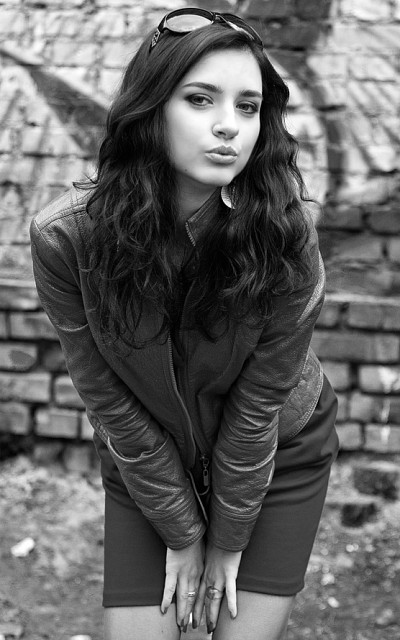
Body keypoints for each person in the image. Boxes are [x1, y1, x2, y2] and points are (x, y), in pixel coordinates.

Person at [30, 8, 339, 640]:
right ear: (151, 110)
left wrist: (226, 539)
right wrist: (180, 531)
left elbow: (260, 403)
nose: (230, 125)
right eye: (200, 99)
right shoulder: (67, 238)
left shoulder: (285, 233)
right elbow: (107, 399)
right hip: (146, 459)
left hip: (276, 452)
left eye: (248, 107)